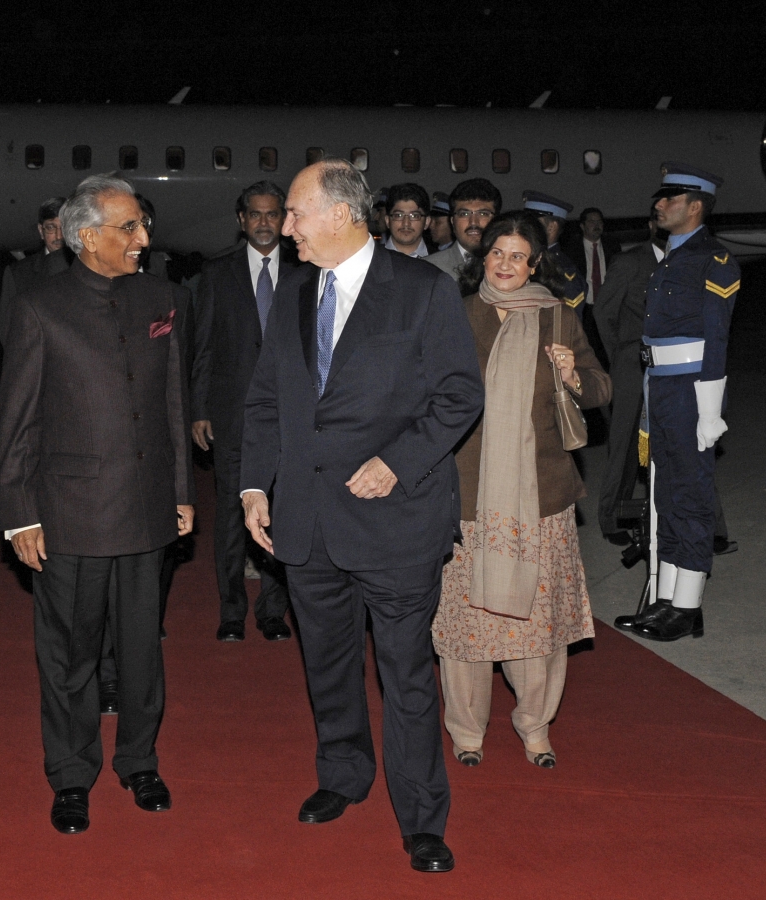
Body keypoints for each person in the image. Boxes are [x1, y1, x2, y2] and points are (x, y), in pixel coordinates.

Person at [240, 159, 483, 873]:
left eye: (294, 214)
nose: (284, 228)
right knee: (329, 663)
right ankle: (343, 775)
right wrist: (256, 485)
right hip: (306, 523)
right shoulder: (291, 294)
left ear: (342, 214)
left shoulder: (422, 291)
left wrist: (400, 461)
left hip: (396, 522)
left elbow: (459, 396)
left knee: (407, 673)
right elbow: (265, 401)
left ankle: (421, 818)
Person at [0, 174, 195, 835]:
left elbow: (173, 404)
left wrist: (180, 494)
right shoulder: (40, 307)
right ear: (86, 239)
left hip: (145, 510)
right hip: (70, 513)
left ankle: (140, 760)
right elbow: (17, 422)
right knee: (70, 656)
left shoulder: (162, 297)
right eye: (129, 228)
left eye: (142, 225)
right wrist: (20, 513)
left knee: (142, 650)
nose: (145, 237)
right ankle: (72, 773)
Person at [433, 210, 610, 770]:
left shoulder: (558, 318)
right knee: (466, 626)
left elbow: (603, 388)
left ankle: (535, 728)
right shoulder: (455, 315)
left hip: (541, 496)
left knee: (537, 625)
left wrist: (574, 375)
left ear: (535, 263)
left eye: (518, 255)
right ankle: (466, 732)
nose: (505, 265)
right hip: (467, 495)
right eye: (496, 253)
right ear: (481, 258)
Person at [616, 163, 740, 642]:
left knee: (690, 493)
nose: (659, 206)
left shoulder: (714, 260)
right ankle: (666, 597)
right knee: (663, 493)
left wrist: (710, 410)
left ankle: (686, 603)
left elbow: (717, 337)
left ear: (696, 206)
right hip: (661, 382)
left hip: (692, 386)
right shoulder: (669, 257)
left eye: (670, 199)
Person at [191, 181, 294, 642]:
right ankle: (231, 611)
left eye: (273, 214)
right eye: (256, 214)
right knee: (232, 520)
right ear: (241, 220)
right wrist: (199, 409)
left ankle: (273, 610)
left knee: (283, 515)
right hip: (232, 416)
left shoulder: (305, 270)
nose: (265, 222)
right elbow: (203, 346)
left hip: (290, 419)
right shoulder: (216, 274)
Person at [594, 203, 666, 543]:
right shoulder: (630, 261)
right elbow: (604, 314)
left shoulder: (682, 262)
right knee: (623, 446)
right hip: (631, 365)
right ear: (651, 225)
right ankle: (612, 519)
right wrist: (621, 356)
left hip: (672, 366)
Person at [0, 196, 71, 346]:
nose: (58, 236)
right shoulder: (18, 273)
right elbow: (6, 330)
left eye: (63, 227)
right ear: (41, 231)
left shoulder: (89, 267)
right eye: (51, 227)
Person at [523, 191, 587, 314]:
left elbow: (568, 322)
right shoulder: (525, 259)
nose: (525, 227)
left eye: (533, 223)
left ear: (552, 227)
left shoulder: (564, 271)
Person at [426, 178, 501, 283]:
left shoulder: (512, 267)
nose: (473, 222)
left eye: (483, 213)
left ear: (496, 220)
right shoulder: (428, 269)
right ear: (452, 221)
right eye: (464, 214)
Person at [382, 183, 432, 258]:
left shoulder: (442, 261)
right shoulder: (372, 258)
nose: (406, 223)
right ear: (387, 221)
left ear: (427, 222)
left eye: (414, 216)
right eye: (398, 215)